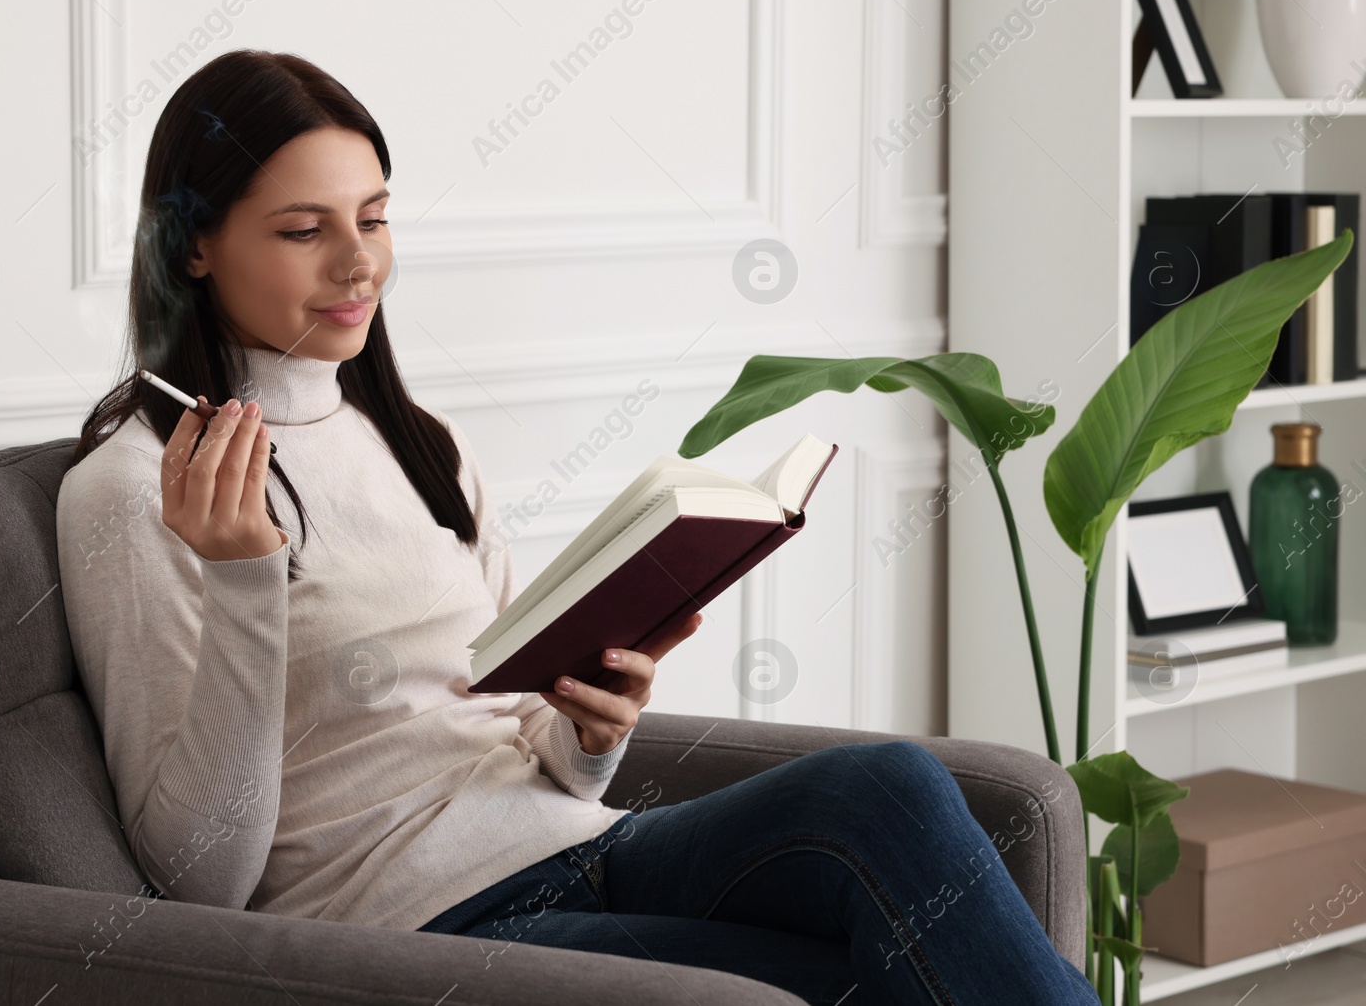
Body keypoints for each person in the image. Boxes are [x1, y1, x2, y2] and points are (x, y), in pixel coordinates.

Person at [56, 48, 1099, 1006]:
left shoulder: (418, 442)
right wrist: (244, 581)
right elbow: (197, 872)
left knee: (891, 787)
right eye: (303, 229)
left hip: (588, 841)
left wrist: (588, 732)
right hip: (420, 926)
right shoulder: (135, 489)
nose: (357, 263)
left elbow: (513, 732)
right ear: (193, 243)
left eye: (372, 218)